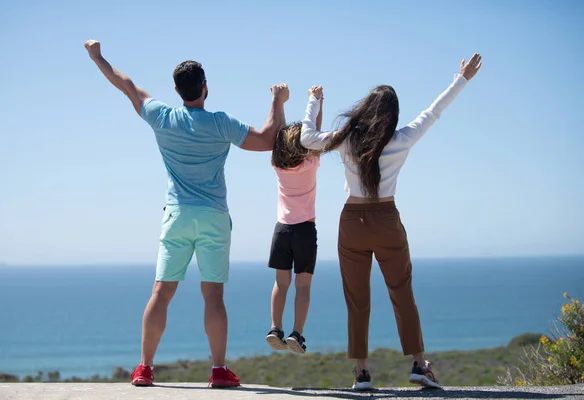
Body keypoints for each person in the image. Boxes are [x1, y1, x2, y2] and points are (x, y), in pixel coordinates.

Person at [83, 39, 289, 388]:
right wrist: (276, 101)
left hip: (177, 215)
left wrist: (97, 56)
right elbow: (270, 138)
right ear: (205, 88)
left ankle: (145, 368)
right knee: (213, 295)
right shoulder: (221, 123)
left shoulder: (162, 117)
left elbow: (126, 85)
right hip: (213, 217)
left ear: (176, 91)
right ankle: (219, 371)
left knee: (161, 294)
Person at [299, 53, 482, 390]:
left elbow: (306, 139)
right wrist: (462, 79)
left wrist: (313, 101)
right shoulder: (401, 139)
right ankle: (417, 364)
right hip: (387, 219)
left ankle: (362, 373)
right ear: (392, 114)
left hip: (352, 221)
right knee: (402, 292)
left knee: (356, 298)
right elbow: (434, 111)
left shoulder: (345, 138)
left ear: (365, 109)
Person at [265, 97, 324, 354]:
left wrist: (278, 101)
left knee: (281, 283)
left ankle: (274, 328)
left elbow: (279, 130)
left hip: (282, 230)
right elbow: (316, 135)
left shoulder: (277, 165)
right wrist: (317, 102)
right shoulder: (310, 162)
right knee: (303, 285)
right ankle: (296, 334)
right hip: (304, 231)